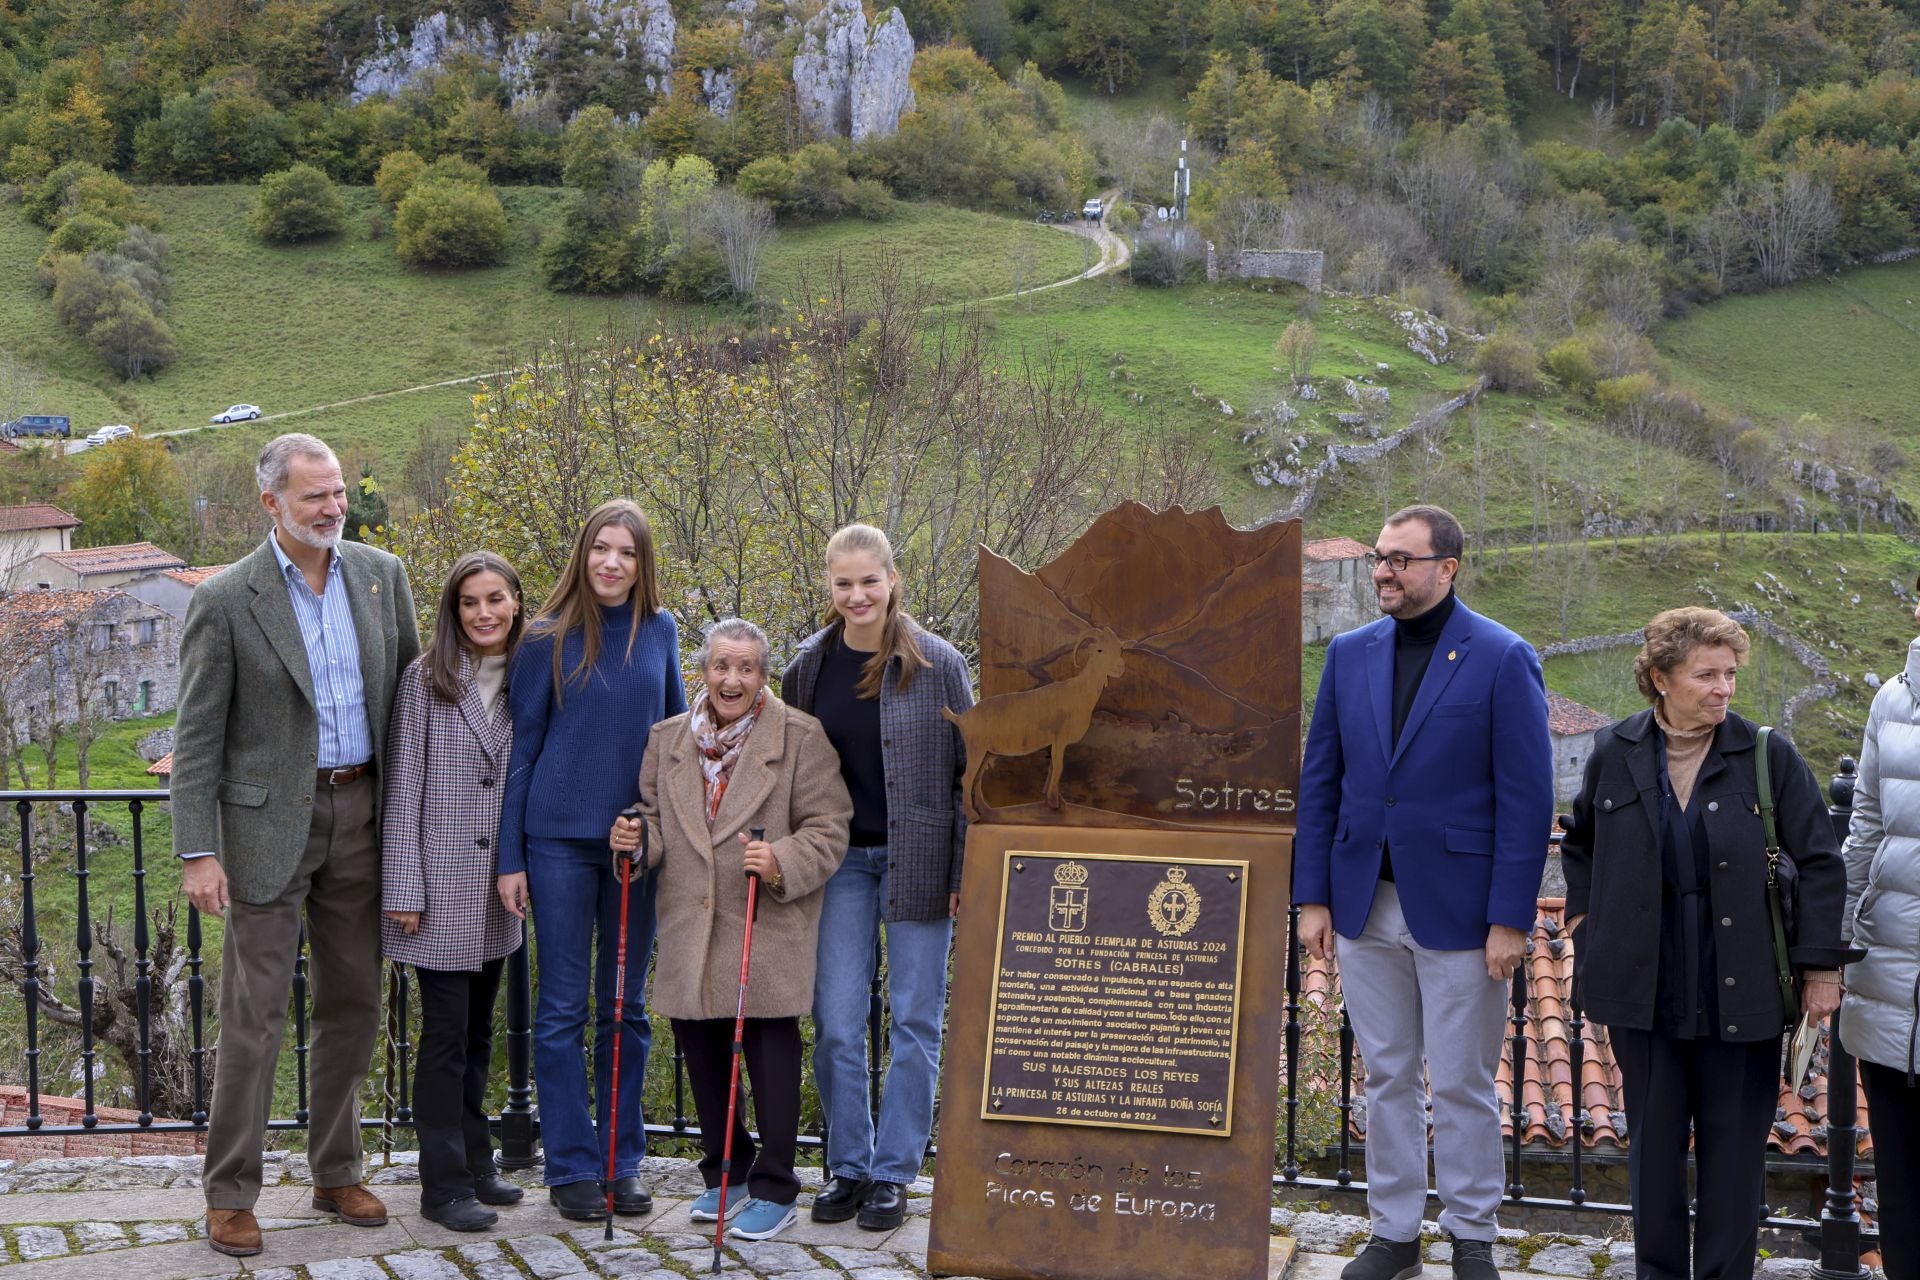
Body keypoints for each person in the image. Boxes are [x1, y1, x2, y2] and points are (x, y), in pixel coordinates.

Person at [173, 433, 420, 1258]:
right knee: (254, 1017)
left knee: (354, 1003)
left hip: (364, 817)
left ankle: (335, 1169)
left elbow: (414, 711)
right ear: (272, 504)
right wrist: (196, 851)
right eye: (315, 496)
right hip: (264, 830)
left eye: (339, 491)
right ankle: (231, 1192)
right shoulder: (226, 598)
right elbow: (198, 738)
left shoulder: (384, 579)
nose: (334, 507)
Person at [1294, 503, 1553, 1280]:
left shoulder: (1503, 657)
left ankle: (1472, 1235)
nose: (1383, 571)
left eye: (1401, 559)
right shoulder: (1349, 654)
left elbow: (1528, 799)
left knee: (1466, 1081)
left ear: (1448, 568)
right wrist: (1313, 898)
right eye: (1379, 556)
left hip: (1464, 913)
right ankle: (1395, 1232)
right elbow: (1321, 783)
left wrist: (1510, 917)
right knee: (1388, 1075)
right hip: (1363, 903)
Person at [1563, 607, 1848, 1280]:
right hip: (1646, 990)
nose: (1724, 689)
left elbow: (1820, 863)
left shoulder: (1766, 755)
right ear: (1661, 678)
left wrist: (1820, 968)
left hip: (1742, 988)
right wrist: (1584, 924)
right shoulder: (1617, 751)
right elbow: (1580, 846)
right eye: (1706, 675)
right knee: (1653, 1152)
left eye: (1731, 674)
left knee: (1734, 1155)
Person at [612, 617, 851, 1241]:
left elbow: (830, 826)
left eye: (746, 668)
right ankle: (728, 1172)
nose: (732, 679)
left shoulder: (800, 737)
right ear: (704, 671)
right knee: (702, 1050)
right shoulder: (668, 739)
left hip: (763, 921)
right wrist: (636, 841)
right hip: (692, 921)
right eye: (721, 666)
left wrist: (782, 860)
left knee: (771, 1050)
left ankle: (775, 1185)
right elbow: (654, 819)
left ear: (763, 676)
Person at [779, 523, 973, 1231]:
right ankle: (849, 1165)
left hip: (920, 861)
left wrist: (962, 869)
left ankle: (894, 1173)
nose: (857, 594)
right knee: (834, 1021)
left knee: (915, 1020)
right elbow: (787, 774)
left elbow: (969, 777)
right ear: (829, 588)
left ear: (893, 579)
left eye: (869, 580)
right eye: (843, 583)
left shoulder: (942, 664)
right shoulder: (807, 667)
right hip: (839, 866)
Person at [496, 500, 686, 1221]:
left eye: (627, 552)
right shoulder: (545, 638)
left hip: (635, 848)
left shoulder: (661, 631)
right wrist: (510, 856)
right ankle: (572, 1166)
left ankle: (621, 1159)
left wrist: (655, 826)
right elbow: (523, 750)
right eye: (601, 549)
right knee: (560, 1009)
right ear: (583, 554)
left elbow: (673, 746)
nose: (612, 563)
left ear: (643, 563)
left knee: (626, 1009)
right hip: (556, 847)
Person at [380, 552, 527, 1232]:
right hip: (437, 892)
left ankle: (476, 1161)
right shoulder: (425, 679)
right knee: (441, 1040)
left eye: (496, 598)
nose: (484, 613)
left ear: (517, 603)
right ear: (453, 610)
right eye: (470, 602)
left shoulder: (533, 677)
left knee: (475, 1035)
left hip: (500, 891)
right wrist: (403, 886)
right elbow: (403, 782)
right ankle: (441, 1187)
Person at [1837, 588, 1920, 1280]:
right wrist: (1840, 940)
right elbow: (1864, 824)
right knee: (1899, 1180)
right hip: (1890, 976)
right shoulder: (1891, 701)